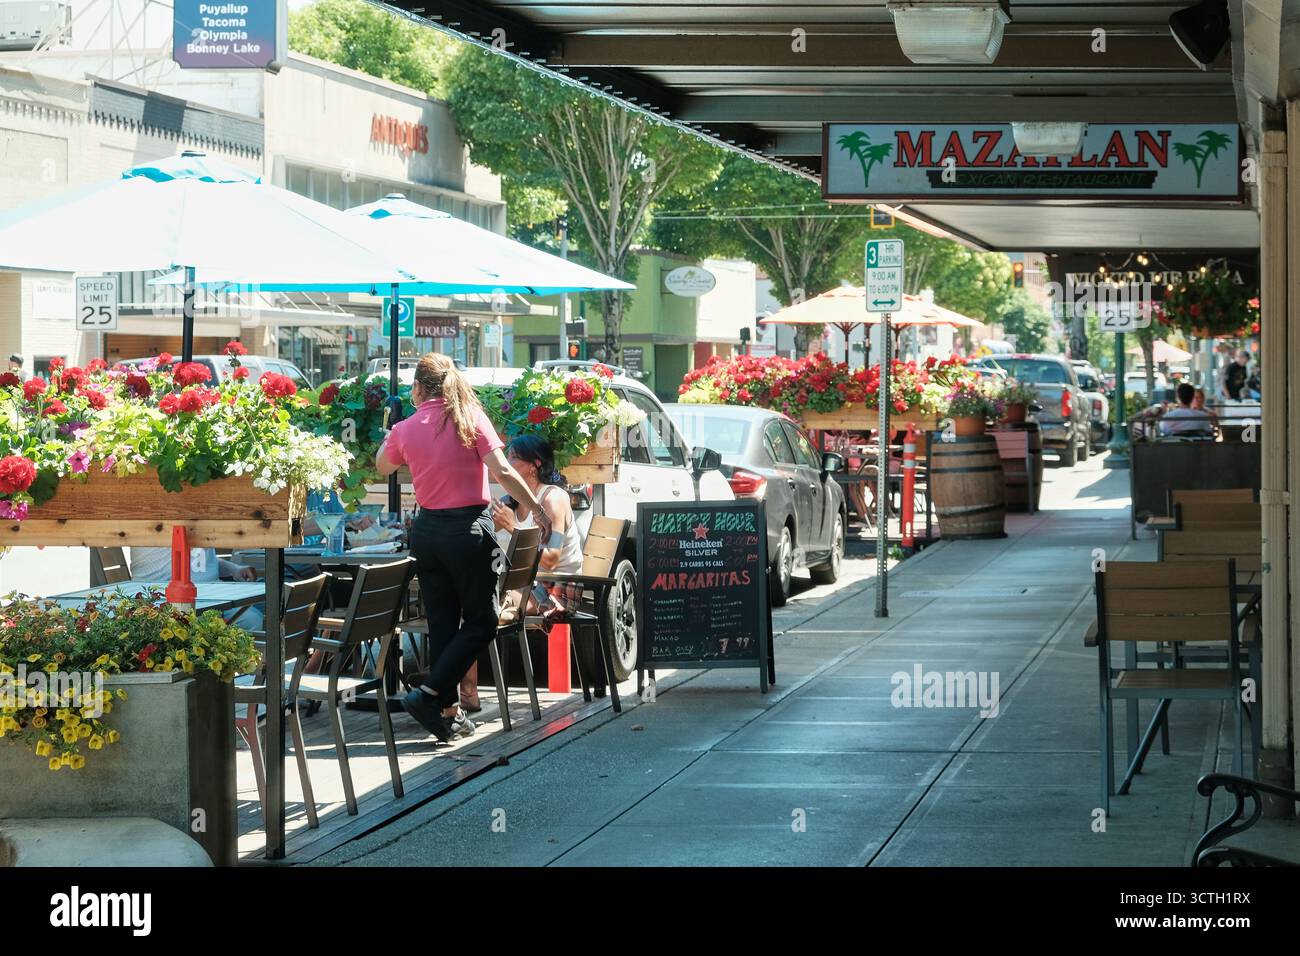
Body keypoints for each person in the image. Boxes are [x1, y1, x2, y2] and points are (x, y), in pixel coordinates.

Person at [376, 353, 550, 743]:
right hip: (469, 531)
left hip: (428, 531)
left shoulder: (407, 427)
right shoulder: (469, 417)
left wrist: (393, 428)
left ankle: (447, 713)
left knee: (442, 623)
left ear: (419, 388)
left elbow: (381, 467)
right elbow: (502, 471)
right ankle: (429, 695)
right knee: (483, 621)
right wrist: (535, 507)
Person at [128, 546, 264, 631]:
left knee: (252, 620)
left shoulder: (196, 520)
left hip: (215, 598)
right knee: (253, 620)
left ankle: (221, 674)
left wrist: (234, 569)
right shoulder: (163, 517)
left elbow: (199, 562)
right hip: (168, 603)